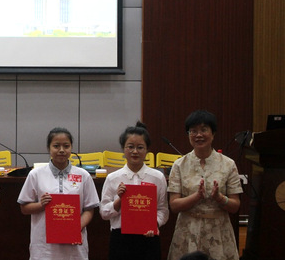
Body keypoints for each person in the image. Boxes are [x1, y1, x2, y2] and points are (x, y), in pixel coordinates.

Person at [167, 110, 243, 260]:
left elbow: (235, 206)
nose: (198, 135)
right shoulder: (179, 165)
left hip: (219, 232)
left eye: (204, 130)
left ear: (213, 133)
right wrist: (196, 197)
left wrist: (220, 198)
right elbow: (174, 205)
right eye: (193, 131)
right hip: (188, 231)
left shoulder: (228, 164)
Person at [17, 127, 100, 260]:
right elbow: (24, 208)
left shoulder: (83, 175)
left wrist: (76, 227)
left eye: (66, 146)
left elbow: (89, 209)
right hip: (44, 247)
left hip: (75, 247)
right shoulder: (36, 174)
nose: (61, 150)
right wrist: (41, 204)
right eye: (56, 146)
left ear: (71, 148)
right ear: (49, 148)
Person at [100, 122, 169, 260]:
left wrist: (154, 224)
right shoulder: (113, 178)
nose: (135, 151)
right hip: (121, 239)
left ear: (147, 150)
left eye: (140, 147)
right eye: (130, 147)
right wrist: (119, 200)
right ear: (123, 149)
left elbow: (163, 210)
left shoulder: (158, 177)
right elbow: (103, 213)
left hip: (149, 238)